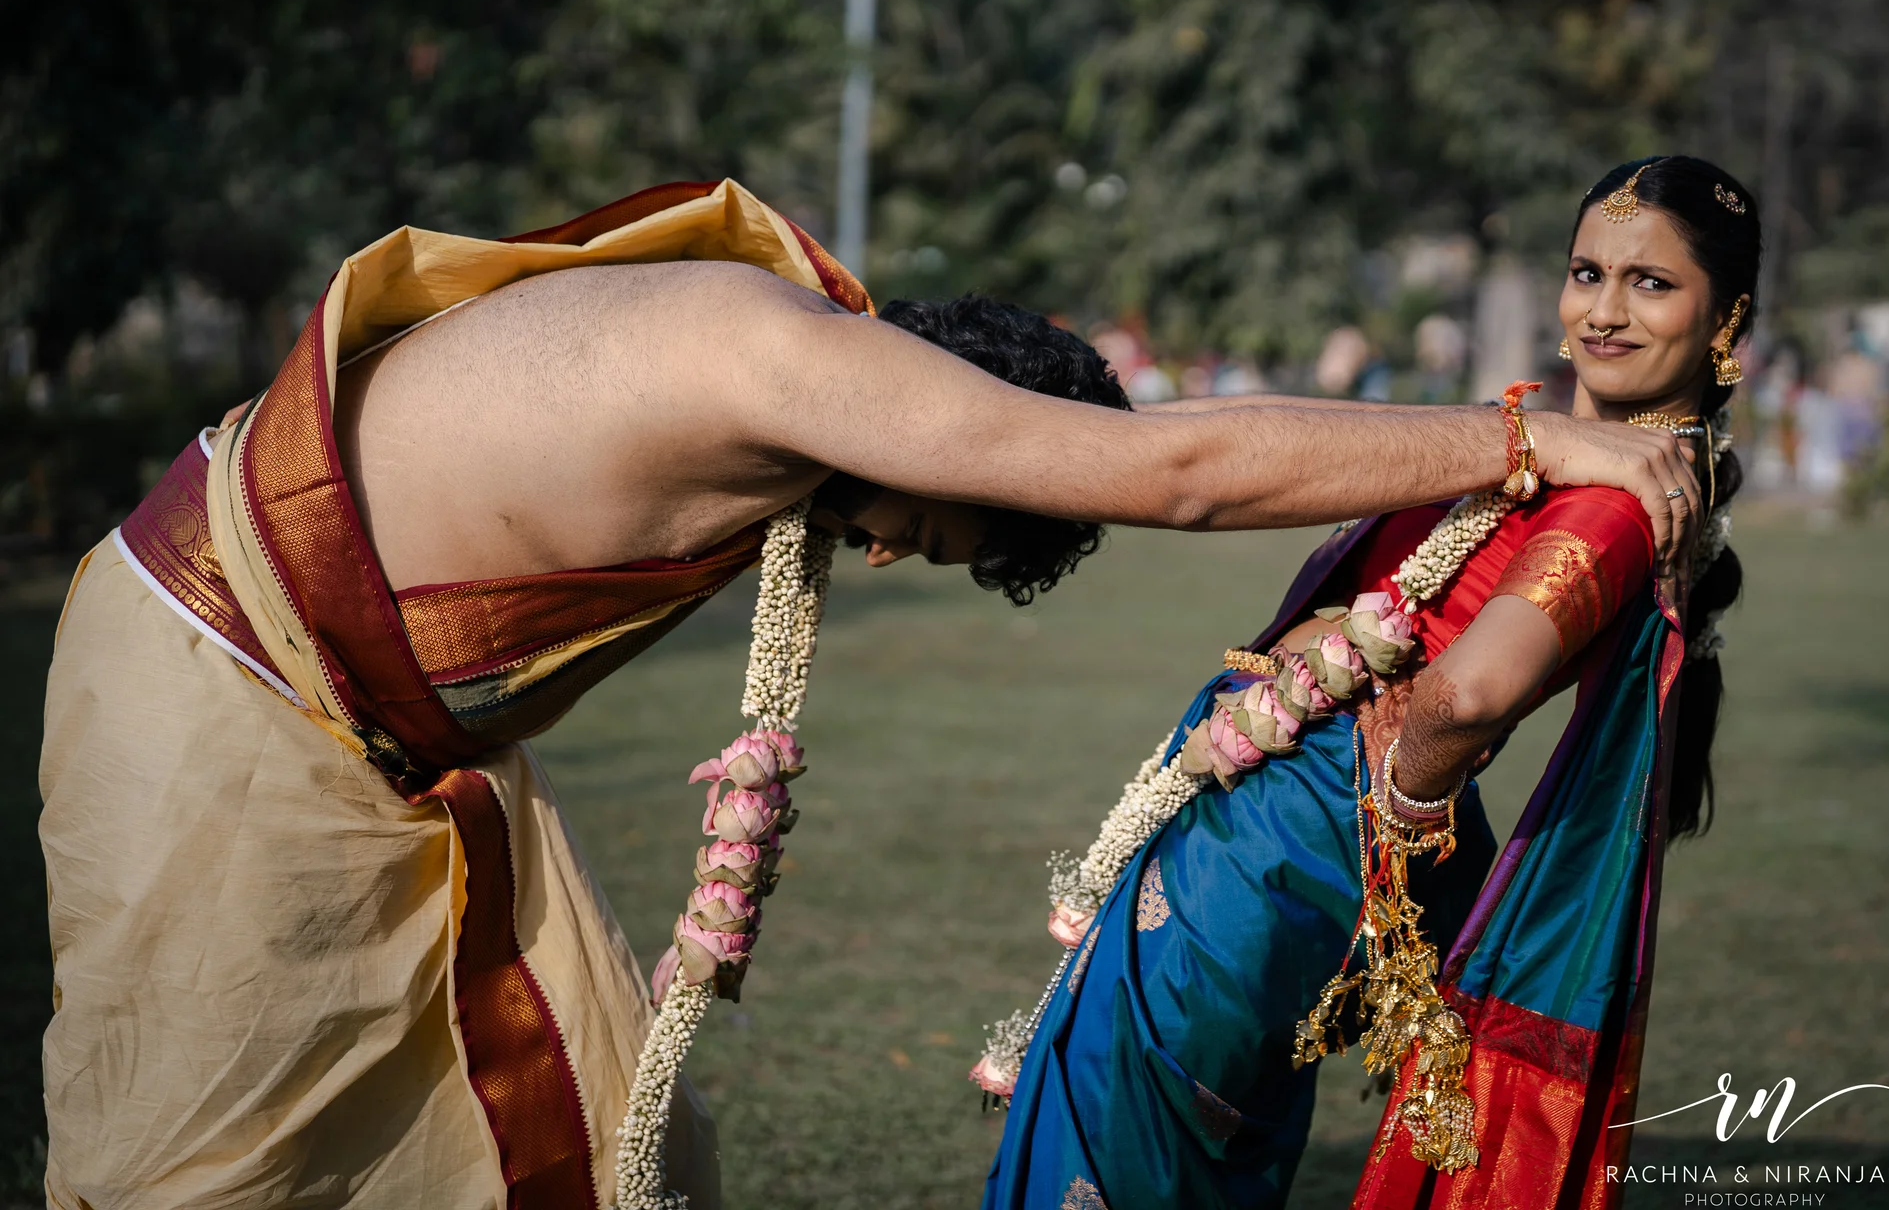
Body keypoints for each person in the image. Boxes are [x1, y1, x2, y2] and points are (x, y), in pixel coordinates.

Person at [38, 180, 1700, 1210]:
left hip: (377, 739)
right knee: (203, 1167)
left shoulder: (785, 364)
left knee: (620, 1153)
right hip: (230, 684)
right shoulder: (798, 368)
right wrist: (1529, 440)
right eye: (940, 524)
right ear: (948, 419)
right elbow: (1178, 470)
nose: (895, 551)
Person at [979, 155, 1756, 1209]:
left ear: (1728, 317)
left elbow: (1472, 695)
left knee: (1131, 1130)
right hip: (1276, 821)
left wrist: (1393, 810)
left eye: (1651, 283)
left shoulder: (1620, 505)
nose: (1604, 310)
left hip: (1292, 836)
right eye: (1586, 272)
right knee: (1186, 1137)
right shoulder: (1554, 447)